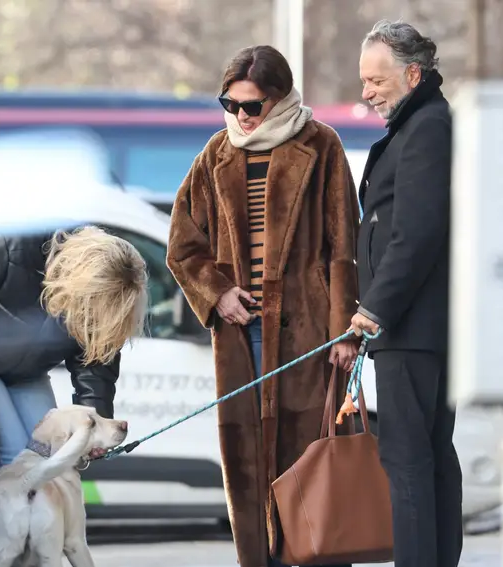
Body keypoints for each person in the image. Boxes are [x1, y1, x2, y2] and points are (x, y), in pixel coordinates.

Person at [167, 45, 360, 567]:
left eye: (250, 107)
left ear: (278, 100)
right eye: (229, 105)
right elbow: (183, 246)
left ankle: (310, 557)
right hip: (240, 332)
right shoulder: (215, 155)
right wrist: (218, 292)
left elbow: (344, 248)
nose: (240, 118)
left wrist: (345, 332)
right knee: (248, 462)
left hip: (308, 333)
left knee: (306, 460)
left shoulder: (321, 145)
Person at [0, 224, 148, 566]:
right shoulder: (10, 243)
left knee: (53, 468)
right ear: (80, 280)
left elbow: (95, 361)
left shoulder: (105, 294)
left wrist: (93, 424)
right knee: (22, 463)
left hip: (25, 371)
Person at [348, 20, 464, 567]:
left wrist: (375, 307)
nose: (366, 92)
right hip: (416, 327)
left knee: (410, 461)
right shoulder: (421, 124)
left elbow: (416, 232)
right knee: (429, 457)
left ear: (412, 74)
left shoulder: (427, 128)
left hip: (413, 328)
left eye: (376, 80)